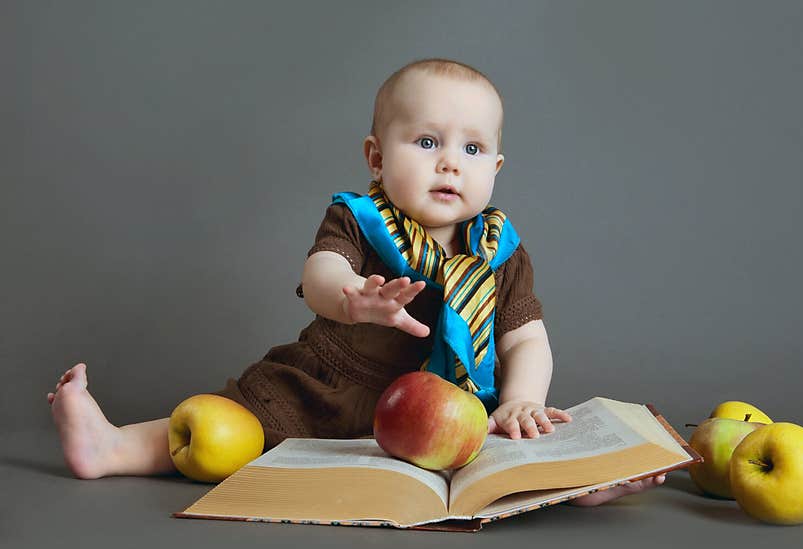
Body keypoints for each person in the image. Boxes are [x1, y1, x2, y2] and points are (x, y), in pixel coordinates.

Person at [47, 58, 663, 506]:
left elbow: (525, 339)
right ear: (375, 156)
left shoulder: (502, 252)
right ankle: (114, 448)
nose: (451, 161)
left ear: (496, 169)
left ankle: (579, 485)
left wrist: (520, 397)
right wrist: (352, 296)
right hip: (333, 386)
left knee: (519, 440)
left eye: (473, 149)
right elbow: (320, 273)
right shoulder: (362, 220)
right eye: (427, 141)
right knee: (234, 422)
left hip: (454, 407)